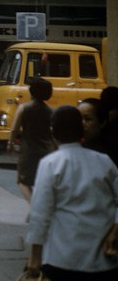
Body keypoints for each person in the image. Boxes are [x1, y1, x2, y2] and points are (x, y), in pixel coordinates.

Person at [25, 105, 118, 280]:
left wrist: (35, 257)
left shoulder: (51, 163)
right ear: (81, 129)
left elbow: (40, 213)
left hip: (62, 259)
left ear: (52, 131)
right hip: (103, 262)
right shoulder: (104, 162)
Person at [9, 76, 55, 202]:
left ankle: (34, 206)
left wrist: (10, 143)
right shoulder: (51, 111)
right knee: (42, 182)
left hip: (29, 150)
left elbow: (14, 129)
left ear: (32, 92)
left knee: (23, 181)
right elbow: (54, 133)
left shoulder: (24, 108)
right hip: (47, 150)